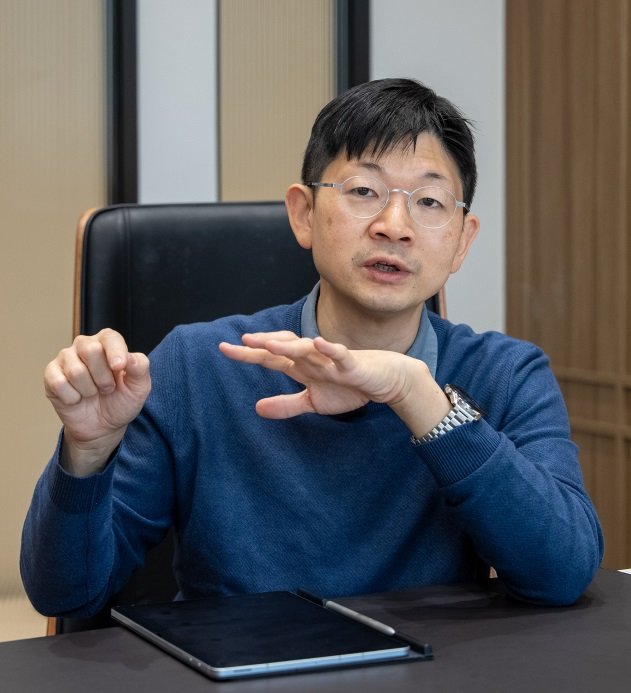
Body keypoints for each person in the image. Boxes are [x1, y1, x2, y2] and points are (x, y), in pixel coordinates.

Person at [21, 78, 603, 618]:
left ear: (461, 241)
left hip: (432, 671)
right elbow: (66, 594)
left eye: (429, 201)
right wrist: (88, 452)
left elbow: (561, 573)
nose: (394, 224)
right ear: (304, 214)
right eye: (364, 190)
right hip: (241, 670)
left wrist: (418, 397)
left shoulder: (507, 374)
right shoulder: (197, 365)